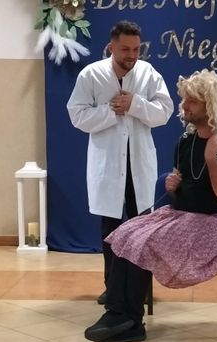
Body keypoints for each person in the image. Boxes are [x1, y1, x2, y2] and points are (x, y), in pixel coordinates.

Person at [84, 69, 217, 342]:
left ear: (210, 104)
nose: (183, 106)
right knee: (123, 234)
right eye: (184, 99)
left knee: (143, 243)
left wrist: (212, 160)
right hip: (180, 214)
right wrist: (172, 185)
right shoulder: (185, 141)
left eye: (191, 101)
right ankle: (118, 313)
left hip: (216, 222)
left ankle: (129, 319)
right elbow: (183, 184)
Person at [67, 21, 174, 304]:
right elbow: (77, 116)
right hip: (108, 167)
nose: (132, 55)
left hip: (139, 165)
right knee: (110, 231)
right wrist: (111, 111)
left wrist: (135, 104)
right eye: (125, 49)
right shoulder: (91, 74)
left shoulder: (148, 73)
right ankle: (112, 289)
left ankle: (141, 290)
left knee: (142, 230)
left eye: (136, 49)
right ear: (111, 47)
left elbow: (164, 112)